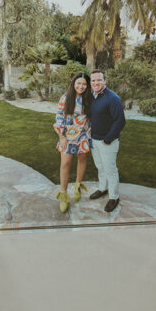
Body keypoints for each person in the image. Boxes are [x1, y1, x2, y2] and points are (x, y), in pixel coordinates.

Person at [53, 72, 92, 214]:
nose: (81, 86)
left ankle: (77, 186)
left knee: (82, 159)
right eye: (78, 83)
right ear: (73, 83)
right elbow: (59, 117)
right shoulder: (65, 98)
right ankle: (63, 195)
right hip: (67, 136)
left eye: (84, 84)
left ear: (87, 86)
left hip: (83, 135)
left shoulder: (89, 99)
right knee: (65, 163)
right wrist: (61, 136)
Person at [89, 69, 126, 213]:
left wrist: (108, 138)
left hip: (107, 141)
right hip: (94, 140)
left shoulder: (113, 98)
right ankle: (102, 189)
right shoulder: (92, 96)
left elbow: (120, 121)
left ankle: (114, 197)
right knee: (100, 166)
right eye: (93, 80)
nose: (96, 83)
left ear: (105, 81)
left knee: (110, 169)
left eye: (99, 80)